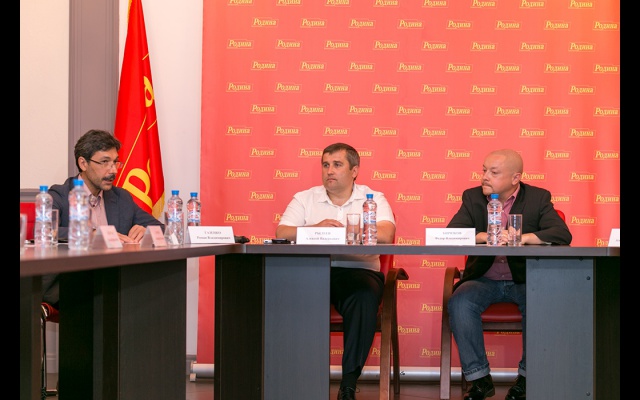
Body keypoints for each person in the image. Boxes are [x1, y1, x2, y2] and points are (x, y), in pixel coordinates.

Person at [446, 149, 572, 400]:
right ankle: (479, 380)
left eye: (493, 172)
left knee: (541, 302)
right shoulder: (472, 197)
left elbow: (561, 234)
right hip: (483, 279)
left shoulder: (538, 198)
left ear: (515, 178)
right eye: (484, 170)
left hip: (524, 280)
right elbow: (452, 233)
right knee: (459, 302)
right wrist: (486, 236)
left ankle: (527, 379)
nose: (484, 177)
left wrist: (522, 238)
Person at [275, 143, 396, 400]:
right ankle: (292, 378)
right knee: (283, 292)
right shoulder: (305, 198)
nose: (329, 170)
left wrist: (345, 232)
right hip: (313, 271)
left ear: (354, 171)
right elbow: (282, 232)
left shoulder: (373, 198)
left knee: (363, 297)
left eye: (337, 165)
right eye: (325, 165)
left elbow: (386, 234)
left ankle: (348, 384)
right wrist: (315, 229)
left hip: (359, 272)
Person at [41, 129, 165, 309]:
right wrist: (90, 234)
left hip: (112, 280)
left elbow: (161, 227)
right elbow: (45, 231)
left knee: (151, 291)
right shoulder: (59, 195)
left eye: (115, 162)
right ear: (83, 163)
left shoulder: (121, 197)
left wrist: (147, 231)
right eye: (105, 162)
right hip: (70, 284)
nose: (113, 170)